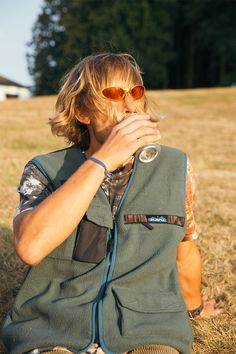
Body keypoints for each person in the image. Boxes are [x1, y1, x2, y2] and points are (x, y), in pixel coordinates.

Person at [2, 53, 223, 354]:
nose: (131, 106)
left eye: (136, 92)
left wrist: (194, 309)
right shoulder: (45, 171)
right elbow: (30, 247)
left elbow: (184, 246)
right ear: (82, 111)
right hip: (52, 329)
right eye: (114, 94)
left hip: (149, 330)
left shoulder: (176, 167)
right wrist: (102, 160)